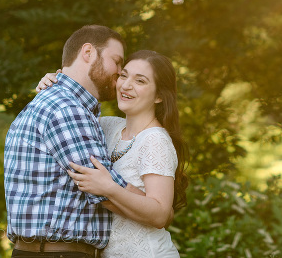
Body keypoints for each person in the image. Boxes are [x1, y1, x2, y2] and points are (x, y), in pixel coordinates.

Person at [4, 24, 148, 257]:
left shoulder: (57, 102)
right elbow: (105, 190)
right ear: (88, 53)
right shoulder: (67, 109)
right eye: (117, 61)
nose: (120, 72)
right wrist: (157, 207)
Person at [37, 49, 189, 258]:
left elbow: (161, 215)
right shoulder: (108, 126)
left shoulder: (156, 140)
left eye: (140, 81)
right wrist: (54, 83)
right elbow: (72, 114)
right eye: (123, 76)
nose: (126, 85)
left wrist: (109, 188)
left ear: (159, 96)